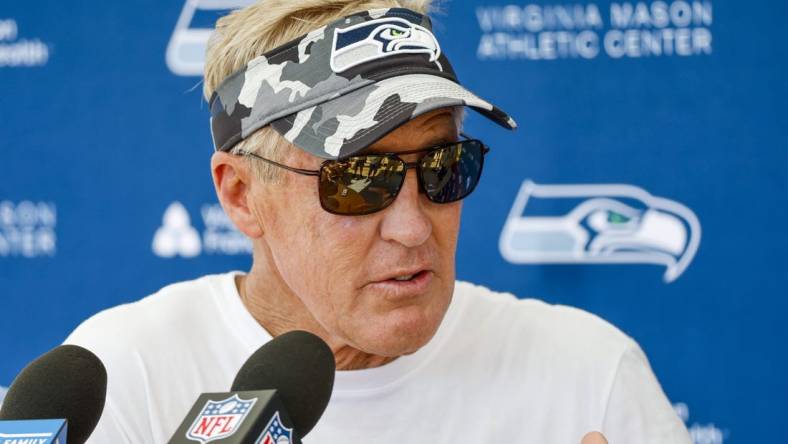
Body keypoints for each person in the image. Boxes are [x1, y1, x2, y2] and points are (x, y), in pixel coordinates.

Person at [66, 1, 692, 443]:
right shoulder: (121, 378)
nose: (414, 228)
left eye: (446, 166)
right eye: (359, 179)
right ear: (241, 195)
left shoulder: (588, 373)